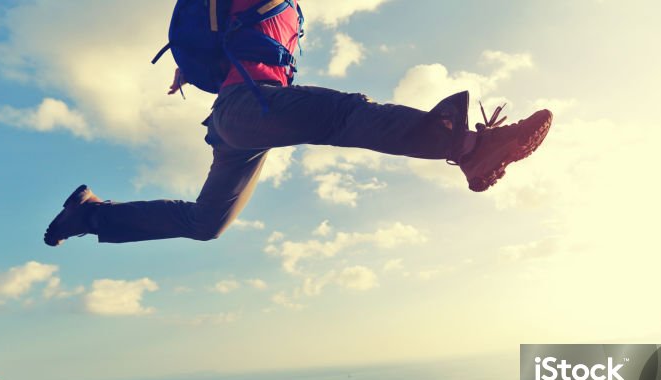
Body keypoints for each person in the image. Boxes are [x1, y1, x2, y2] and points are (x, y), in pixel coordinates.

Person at [43, 0, 553, 246]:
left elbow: (219, 42)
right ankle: (469, 146)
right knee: (344, 114)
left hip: (242, 120)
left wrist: (189, 65)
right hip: (245, 110)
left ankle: (91, 215)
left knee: (206, 223)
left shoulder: (280, 13)